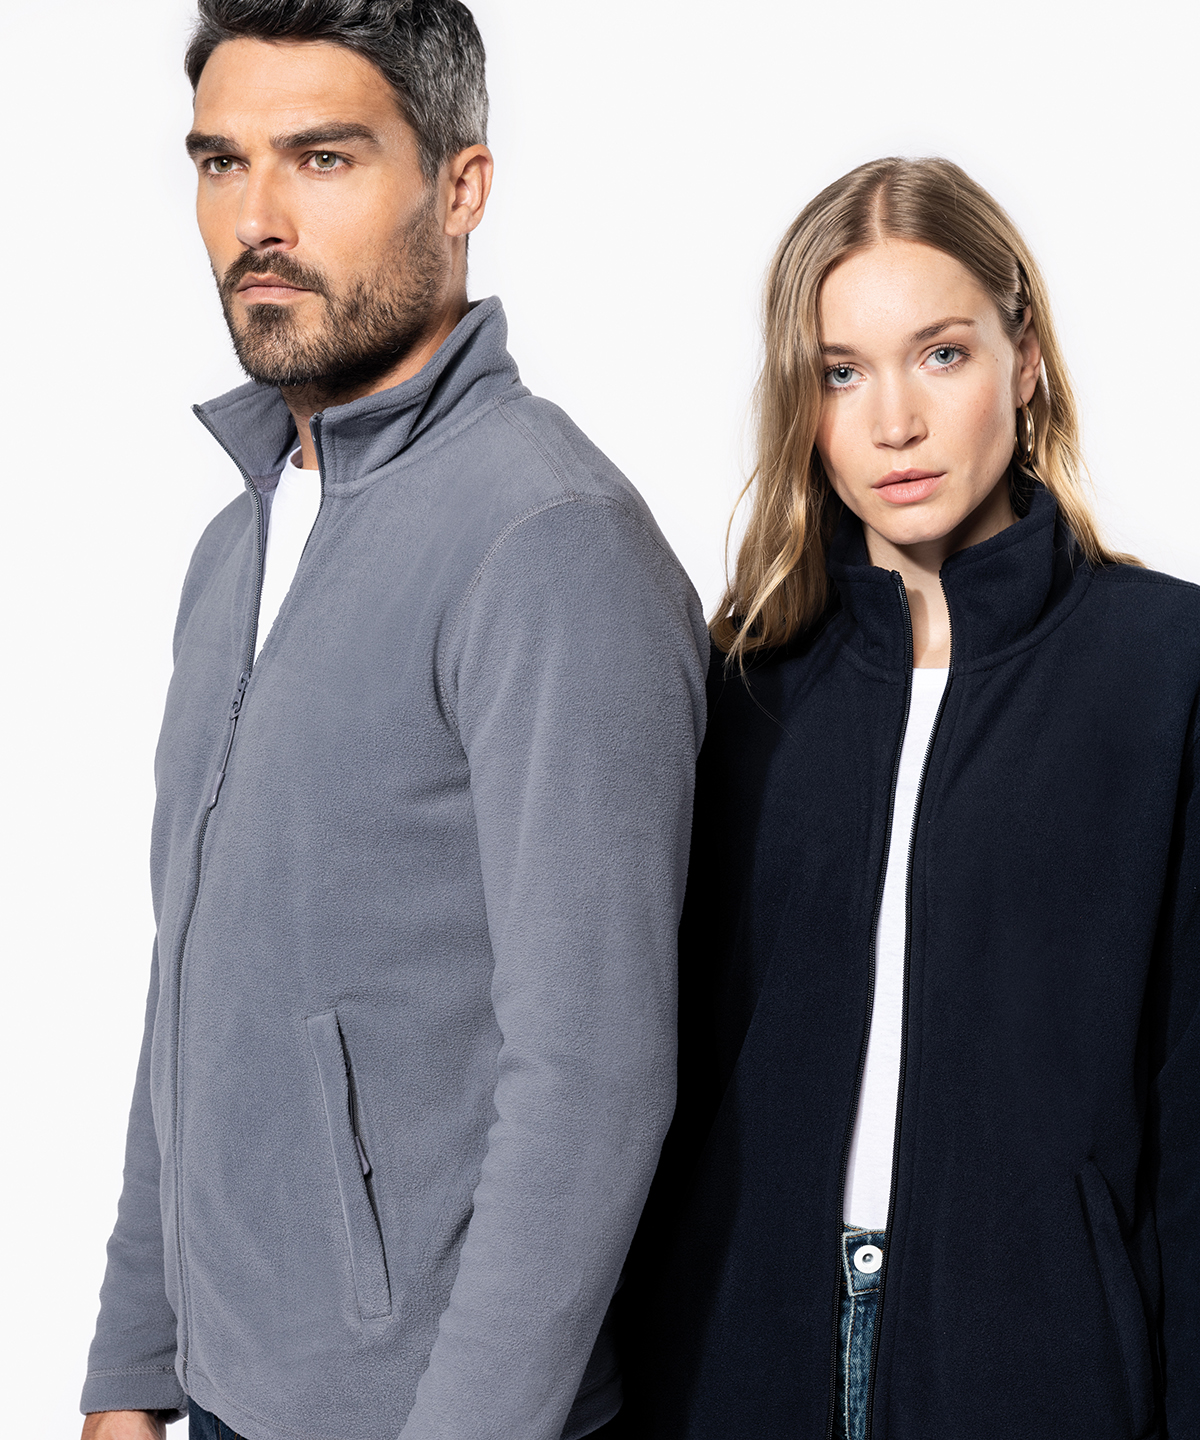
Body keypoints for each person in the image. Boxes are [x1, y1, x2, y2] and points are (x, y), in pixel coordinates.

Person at [79, 4, 707, 1439]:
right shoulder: (238, 546)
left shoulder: (548, 543)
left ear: (462, 186)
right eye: (222, 162)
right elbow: (195, 980)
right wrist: (133, 1362)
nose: (258, 218)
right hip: (227, 1396)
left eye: (323, 158)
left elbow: (594, 1078)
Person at [618, 156, 1200, 1439]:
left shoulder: (1165, 670)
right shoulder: (741, 684)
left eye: (941, 354)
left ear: (1024, 358)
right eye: (842, 372)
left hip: (1034, 1367)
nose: (894, 422)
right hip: (735, 1361)